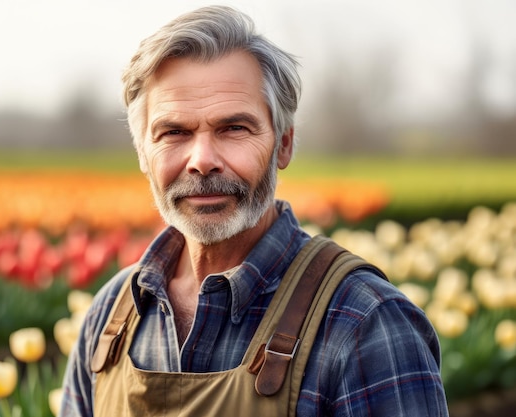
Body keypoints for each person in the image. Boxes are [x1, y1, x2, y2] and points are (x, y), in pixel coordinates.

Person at [59, 5, 448, 416]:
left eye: (233, 129)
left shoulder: (365, 325)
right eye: (174, 132)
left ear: (283, 144)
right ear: (143, 153)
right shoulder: (110, 318)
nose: (201, 160)